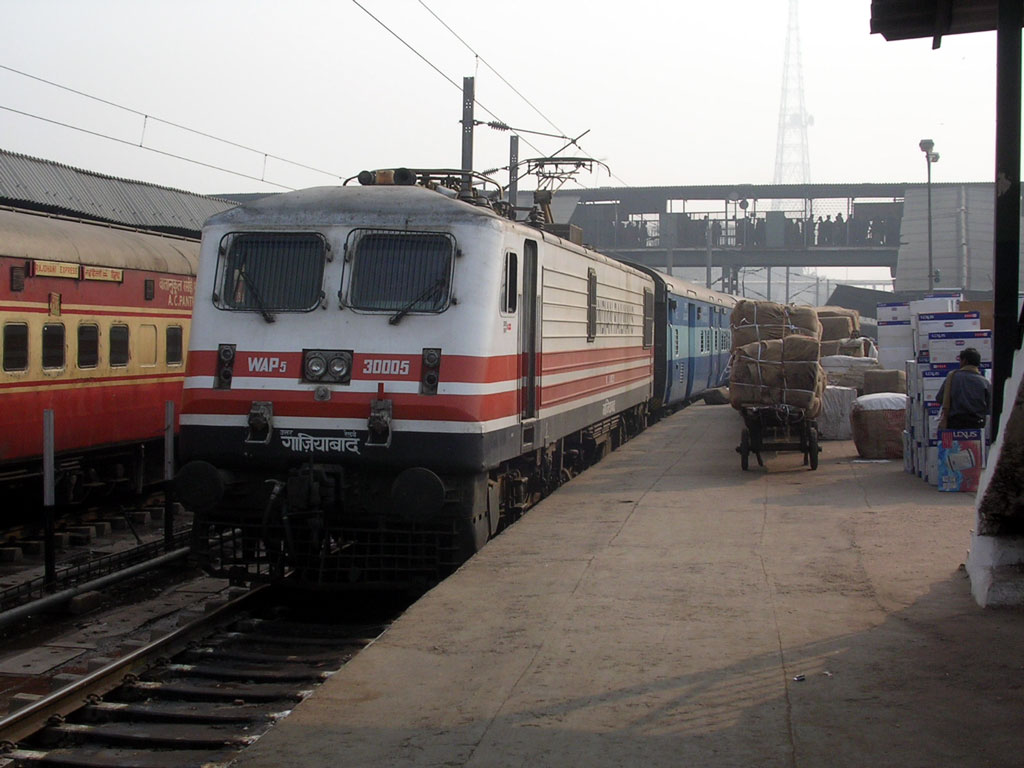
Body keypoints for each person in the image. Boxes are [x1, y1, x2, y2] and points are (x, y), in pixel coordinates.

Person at [937, 347, 991, 429]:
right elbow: (989, 407)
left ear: (964, 361)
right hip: (977, 425)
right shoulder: (985, 382)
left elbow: (939, 398)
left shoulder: (952, 377)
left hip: (954, 424)